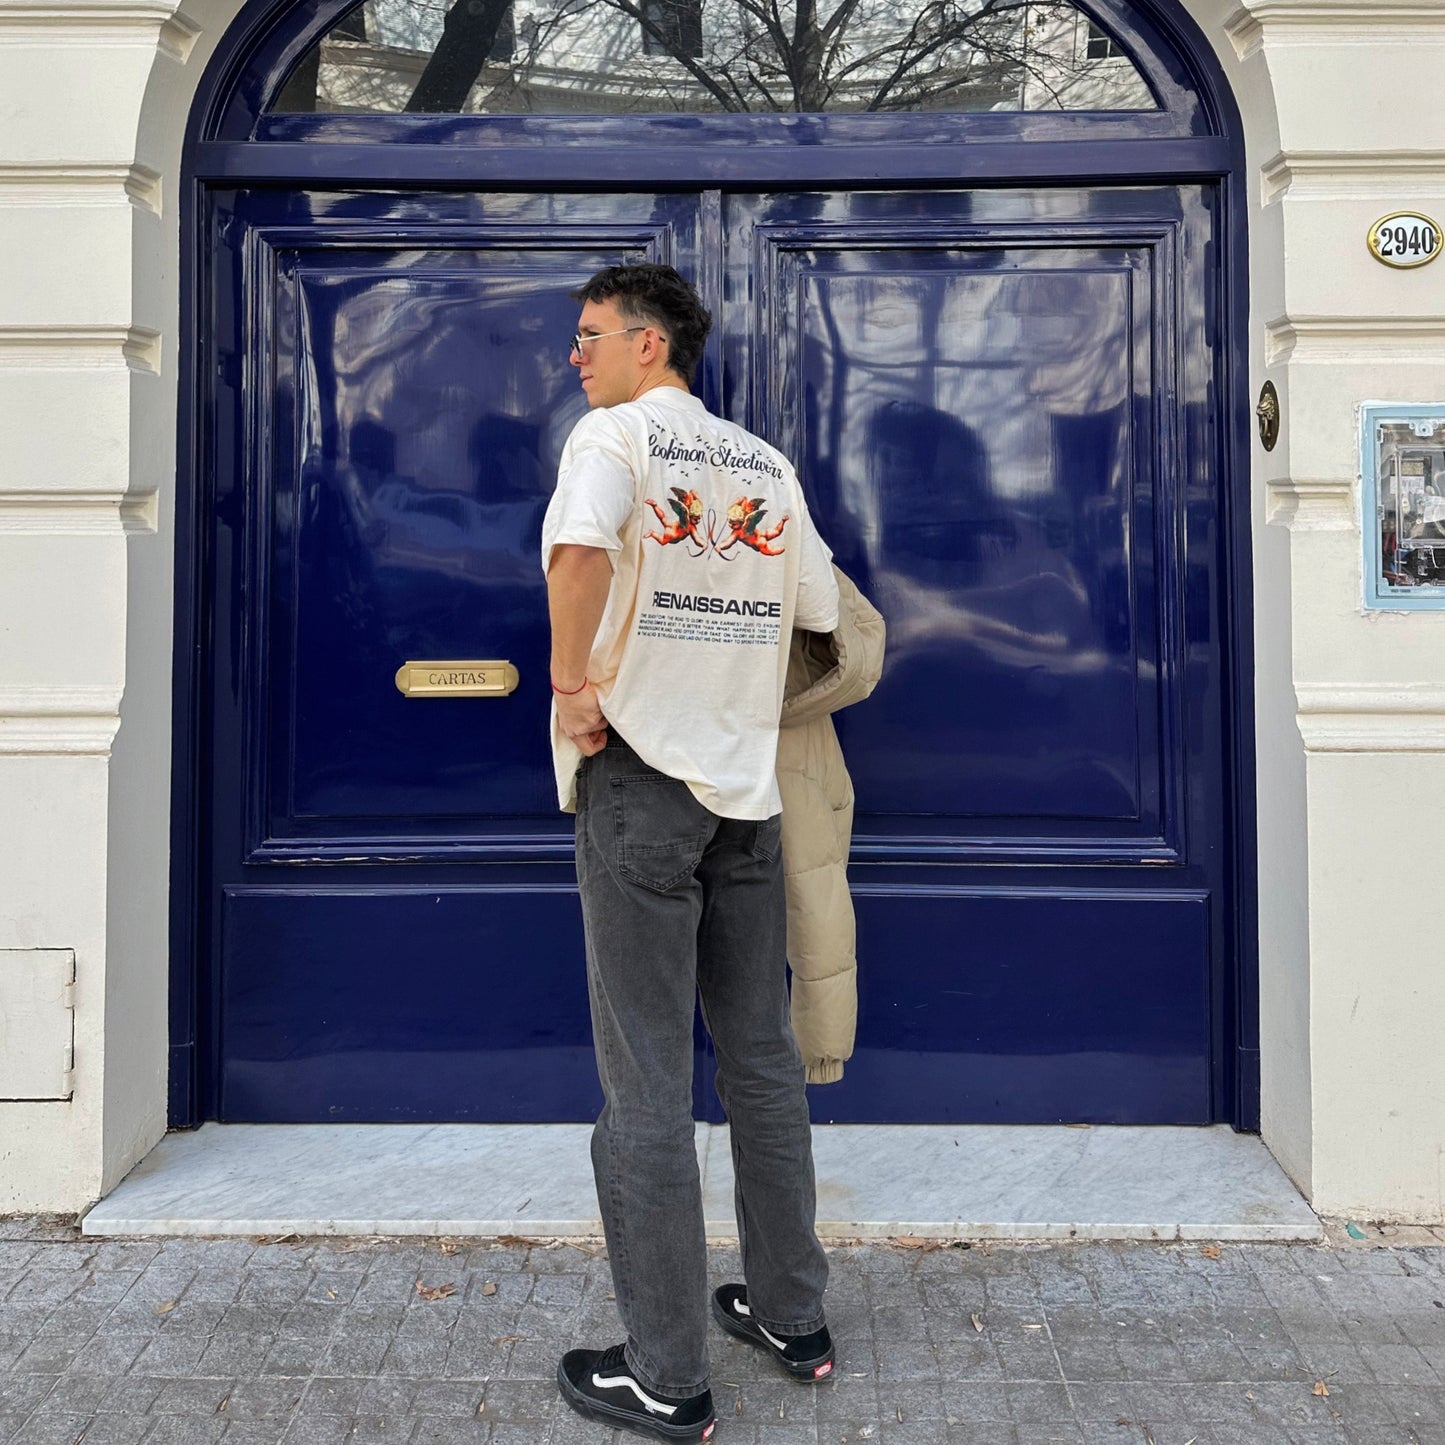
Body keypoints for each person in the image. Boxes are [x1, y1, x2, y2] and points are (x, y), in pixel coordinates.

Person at [544, 263, 840, 1442]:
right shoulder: (763, 463)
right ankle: (791, 1317)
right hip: (744, 791)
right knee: (758, 1057)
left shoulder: (612, 437)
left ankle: (664, 1372)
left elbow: (578, 556)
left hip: (641, 780)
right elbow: (815, 601)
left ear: (647, 345)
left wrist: (574, 685)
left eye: (588, 335)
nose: (576, 355)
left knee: (645, 1085)